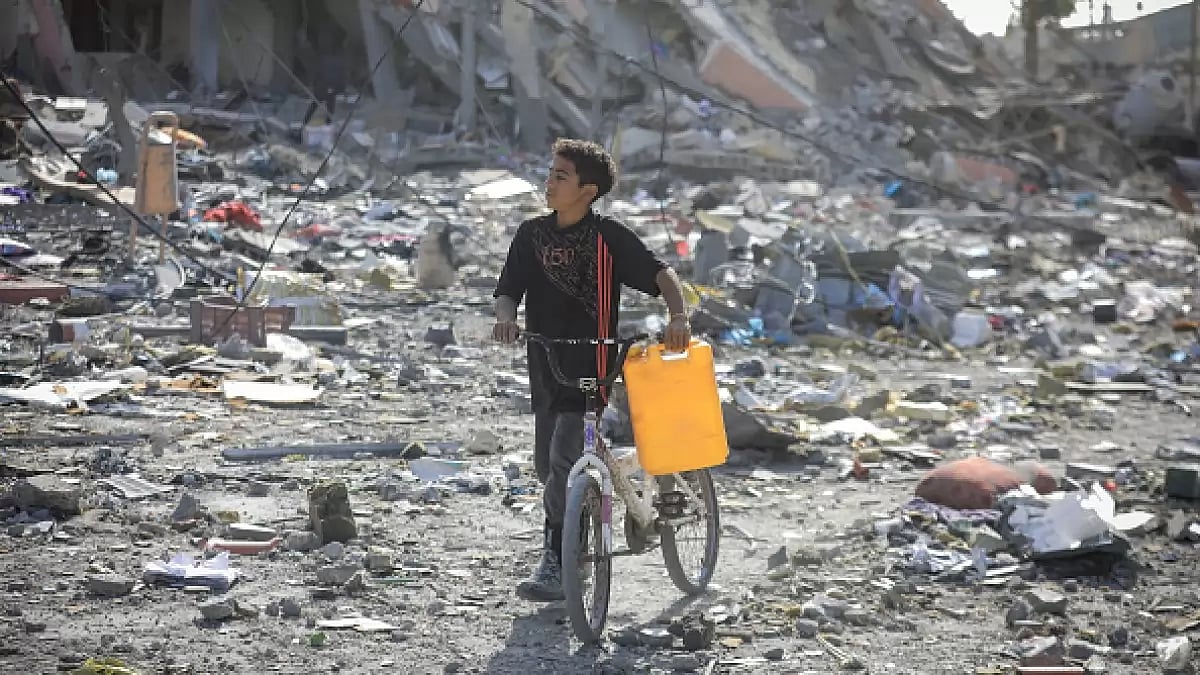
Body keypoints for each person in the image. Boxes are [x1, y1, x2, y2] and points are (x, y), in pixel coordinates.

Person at [492, 138, 691, 602]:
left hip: (594, 364)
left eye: (561, 176)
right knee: (548, 466)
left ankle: (557, 560)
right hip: (545, 363)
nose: (549, 182)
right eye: (551, 173)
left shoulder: (608, 237)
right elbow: (508, 290)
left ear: (588, 190)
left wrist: (678, 316)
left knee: (563, 456)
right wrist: (506, 318)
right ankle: (581, 518)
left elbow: (661, 274)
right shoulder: (531, 235)